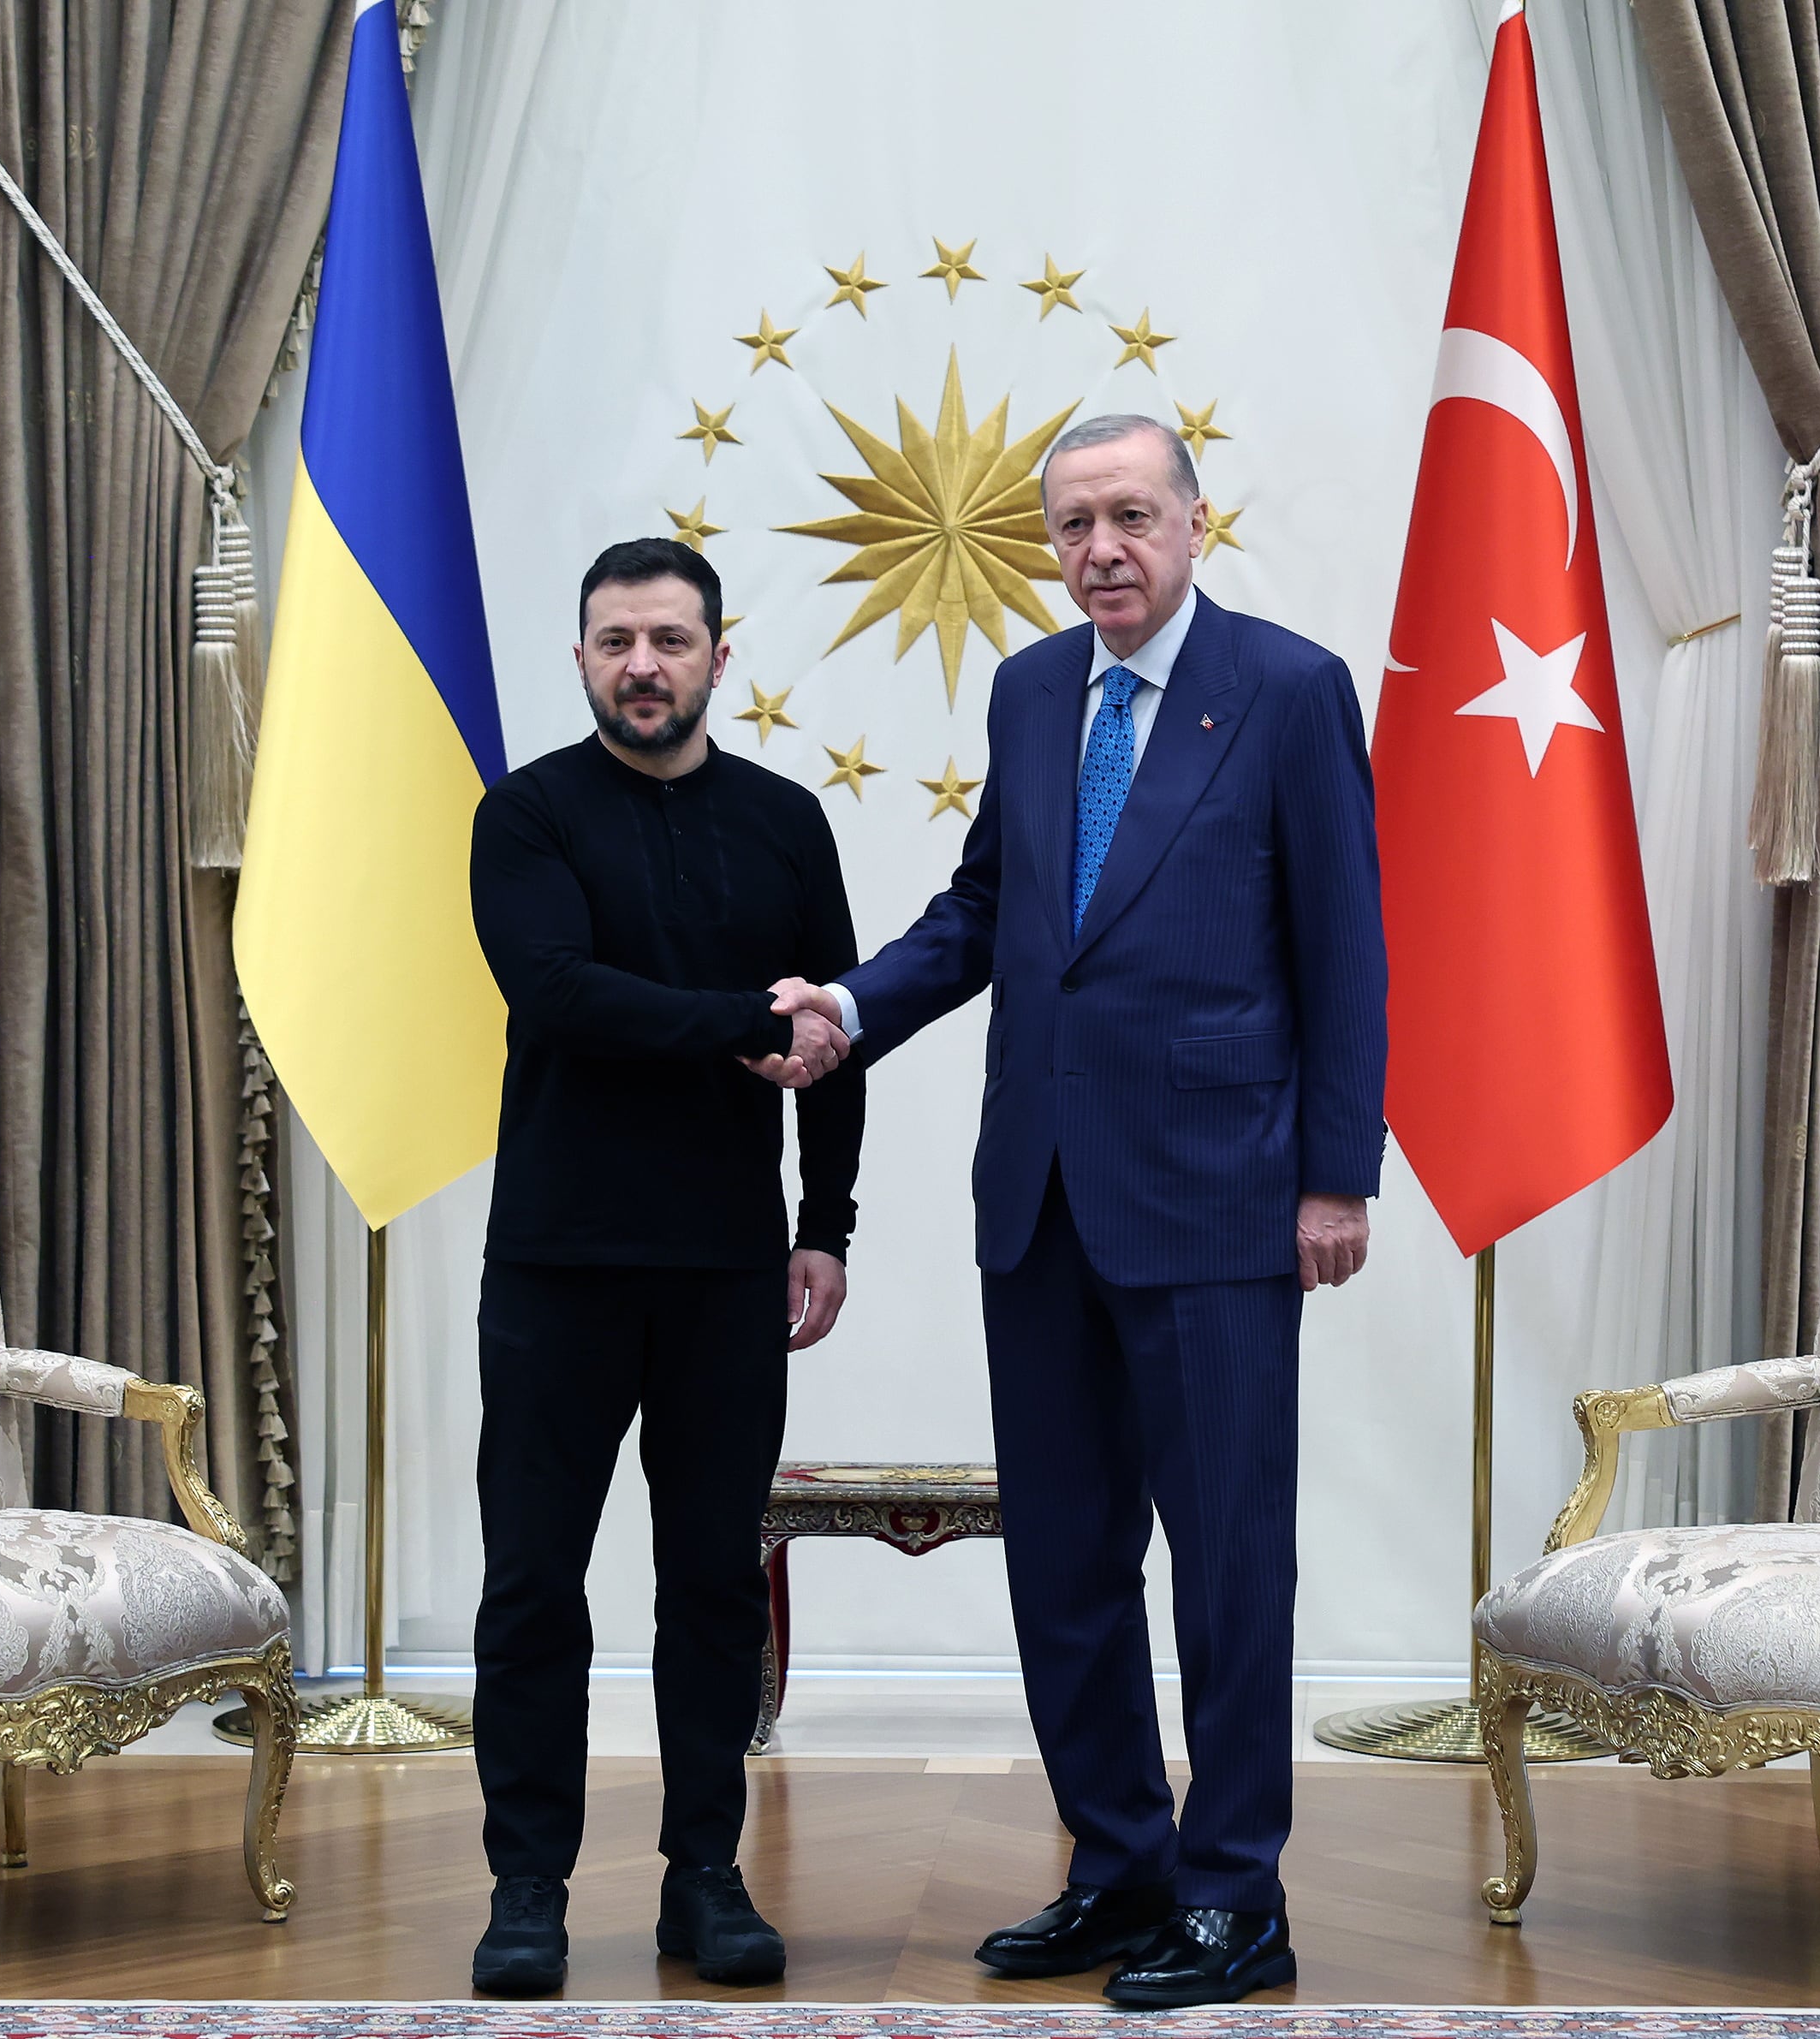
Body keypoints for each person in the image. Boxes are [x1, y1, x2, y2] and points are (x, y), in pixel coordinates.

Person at [765, 415, 1387, 2008]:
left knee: (1228, 1562)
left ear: (1193, 521)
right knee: (1064, 1560)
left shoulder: (1290, 690)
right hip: (1038, 1196)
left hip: (1221, 1203)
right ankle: (1120, 1867)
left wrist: (1336, 1172)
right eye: (1072, 524)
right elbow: (989, 906)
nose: (1100, 548)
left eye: (1129, 516)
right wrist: (849, 1000)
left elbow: (1346, 947)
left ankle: (1237, 1898)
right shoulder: (1036, 690)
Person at [464, 536, 861, 1996]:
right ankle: (526, 1886)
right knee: (533, 1587)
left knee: (706, 1583)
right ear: (580, 658)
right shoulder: (527, 815)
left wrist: (826, 1219)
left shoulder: (783, 818)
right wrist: (743, 1030)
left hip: (722, 1271)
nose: (643, 664)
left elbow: (833, 1028)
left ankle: (705, 1873)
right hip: (560, 1263)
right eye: (616, 640)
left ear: (716, 654)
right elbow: (559, 993)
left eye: (669, 640)